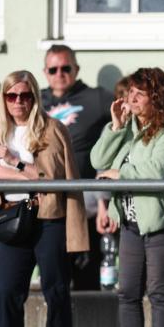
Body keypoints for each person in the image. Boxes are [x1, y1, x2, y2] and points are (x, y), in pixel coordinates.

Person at [0, 70, 87, 327]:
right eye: (12, 96)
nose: (18, 102)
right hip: (11, 216)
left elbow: (54, 180)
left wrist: (15, 163)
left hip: (48, 216)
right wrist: (27, 174)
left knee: (56, 289)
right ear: (4, 98)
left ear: (35, 97)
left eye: (25, 96)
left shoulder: (52, 128)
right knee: (7, 291)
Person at [92, 68, 164, 327]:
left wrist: (121, 173)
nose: (129, 98)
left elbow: (157, 169)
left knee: (159, 292)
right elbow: (98, 160)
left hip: (163, 223)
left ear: (156, 98)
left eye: (139, 93)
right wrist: (116, 127)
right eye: (129, 92)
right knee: (127, 291)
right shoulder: (128, 128)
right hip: (131, 222)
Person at [40, 44, 113, 289]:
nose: (59, 74)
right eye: (53, 69)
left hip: (85, 192)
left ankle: (84, 288)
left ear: (77, 69)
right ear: (45, 72)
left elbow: (132, 113)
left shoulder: (96, 97)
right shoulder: (34, 101)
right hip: (45, 190)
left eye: (66, 68)